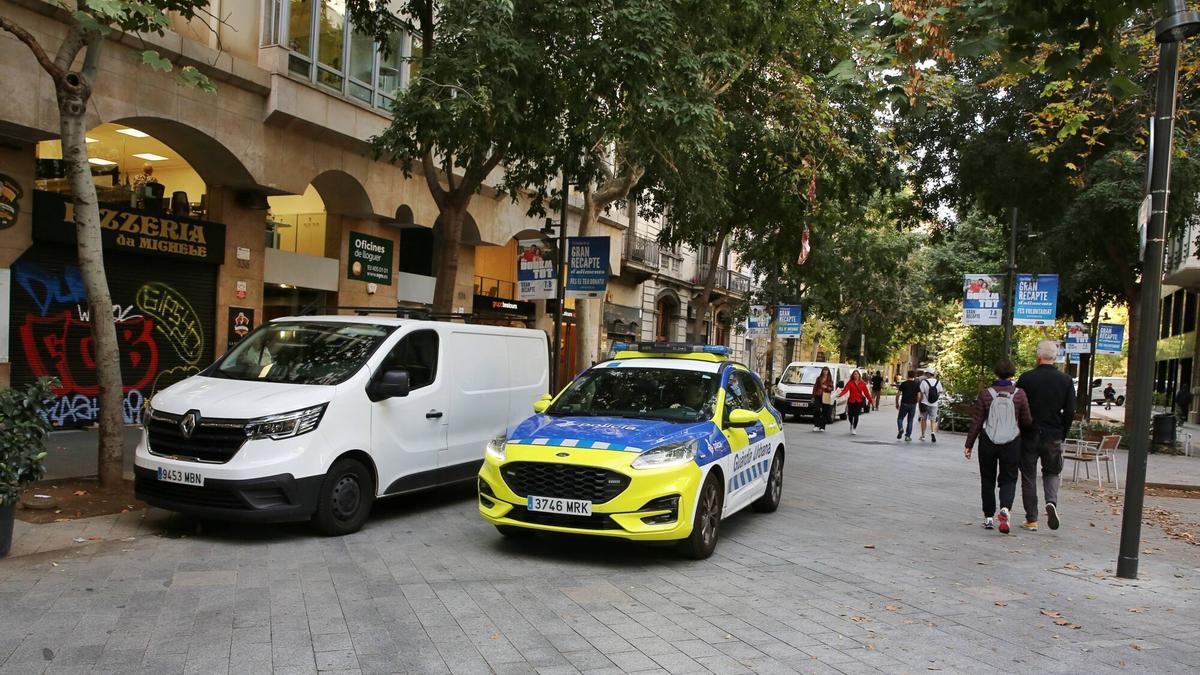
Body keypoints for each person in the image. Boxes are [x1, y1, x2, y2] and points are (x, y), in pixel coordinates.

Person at [965, 359, 1033, 533]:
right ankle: (1005, 509)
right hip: (1011, 442)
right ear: (1012, 374)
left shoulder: (985, 394)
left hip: (988, 441)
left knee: (987, 479)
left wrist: (969, 444)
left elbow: (977, 421)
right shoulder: (1019, 394)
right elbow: (1026, 421)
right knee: (1009, 478)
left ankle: (988, 517)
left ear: (996, 373)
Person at [1016, 340, 1076, 531]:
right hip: (1053, 433)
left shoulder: (1026, 378)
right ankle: (1051, 501)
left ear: (1038, 356)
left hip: (1029, 433)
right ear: (1055, 357)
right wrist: (1062, 432)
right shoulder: (1066, 381)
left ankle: (1031, 519)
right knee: (1051, 471)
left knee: (1028, 475)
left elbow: (1017, 405)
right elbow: (1070, 411)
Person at [837, 370, 873, 435]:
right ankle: (851, 424)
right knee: (850, 415)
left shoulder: (862, 383)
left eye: (857, 374)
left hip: (859, 401)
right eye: (854, 374)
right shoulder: (850, 383)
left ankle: (854, 428)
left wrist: (871, 401)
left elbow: (866, 393)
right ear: (852, 376)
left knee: (856, 415)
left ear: (859, 375)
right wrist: (840, 395)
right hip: (851, 401)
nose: (856, 375)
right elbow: (845, 390)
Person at [919, 369, 944, 443]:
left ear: (929, 374)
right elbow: (940, 392)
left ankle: (923, 435)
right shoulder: (938, 382)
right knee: (933, 420)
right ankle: (933, 433)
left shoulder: (924, 382)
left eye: (927, 373)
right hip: (934, 404)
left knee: (923, 419)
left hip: (924, 403)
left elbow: (921, 393)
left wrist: (919, 402)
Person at [895, 370, 920, 442]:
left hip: (904, 404)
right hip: (913, 404)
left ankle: (900, 428)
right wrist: (916, 402)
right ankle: (907, 436)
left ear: (907, 375)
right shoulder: (916, 384)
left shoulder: (904, 384)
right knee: (910, 420)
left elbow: (898, 395)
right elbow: (918, 396)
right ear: (914, 376)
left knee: (900, 418)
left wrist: (897, 403)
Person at [812, 366, 835, 432]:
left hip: (826, 396)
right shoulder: (819, 378)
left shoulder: (830, 379)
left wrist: (826, 387)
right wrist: (813, 396)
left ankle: (822, 426)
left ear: (828, 372)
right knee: (817, 410)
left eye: (826, 370)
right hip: (818, 396)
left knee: (825, 412)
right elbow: (815, 387)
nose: (825, 371)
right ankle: (816, 425)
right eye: (824, 370)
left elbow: (832, 388)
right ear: (822, 371)